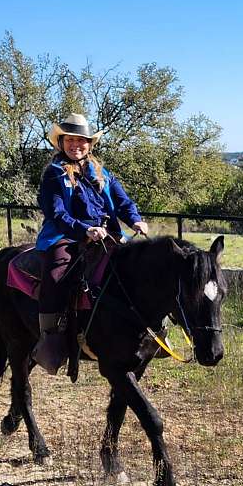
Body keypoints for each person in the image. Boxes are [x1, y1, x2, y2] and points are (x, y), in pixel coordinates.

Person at [32, 113, 148, 374]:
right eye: (70, 140)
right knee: (55, 275)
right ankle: (51, 340)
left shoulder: (101, 172)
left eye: (81, 140)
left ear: (89, 144)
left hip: (107, 235)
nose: (76, 145)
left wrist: (136, 220)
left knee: (140, 269)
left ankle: (147, 330)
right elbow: (57, 214)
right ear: (61, 143)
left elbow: (123, 202)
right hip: (66, 236)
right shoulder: (54, 174)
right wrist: (85, 230)